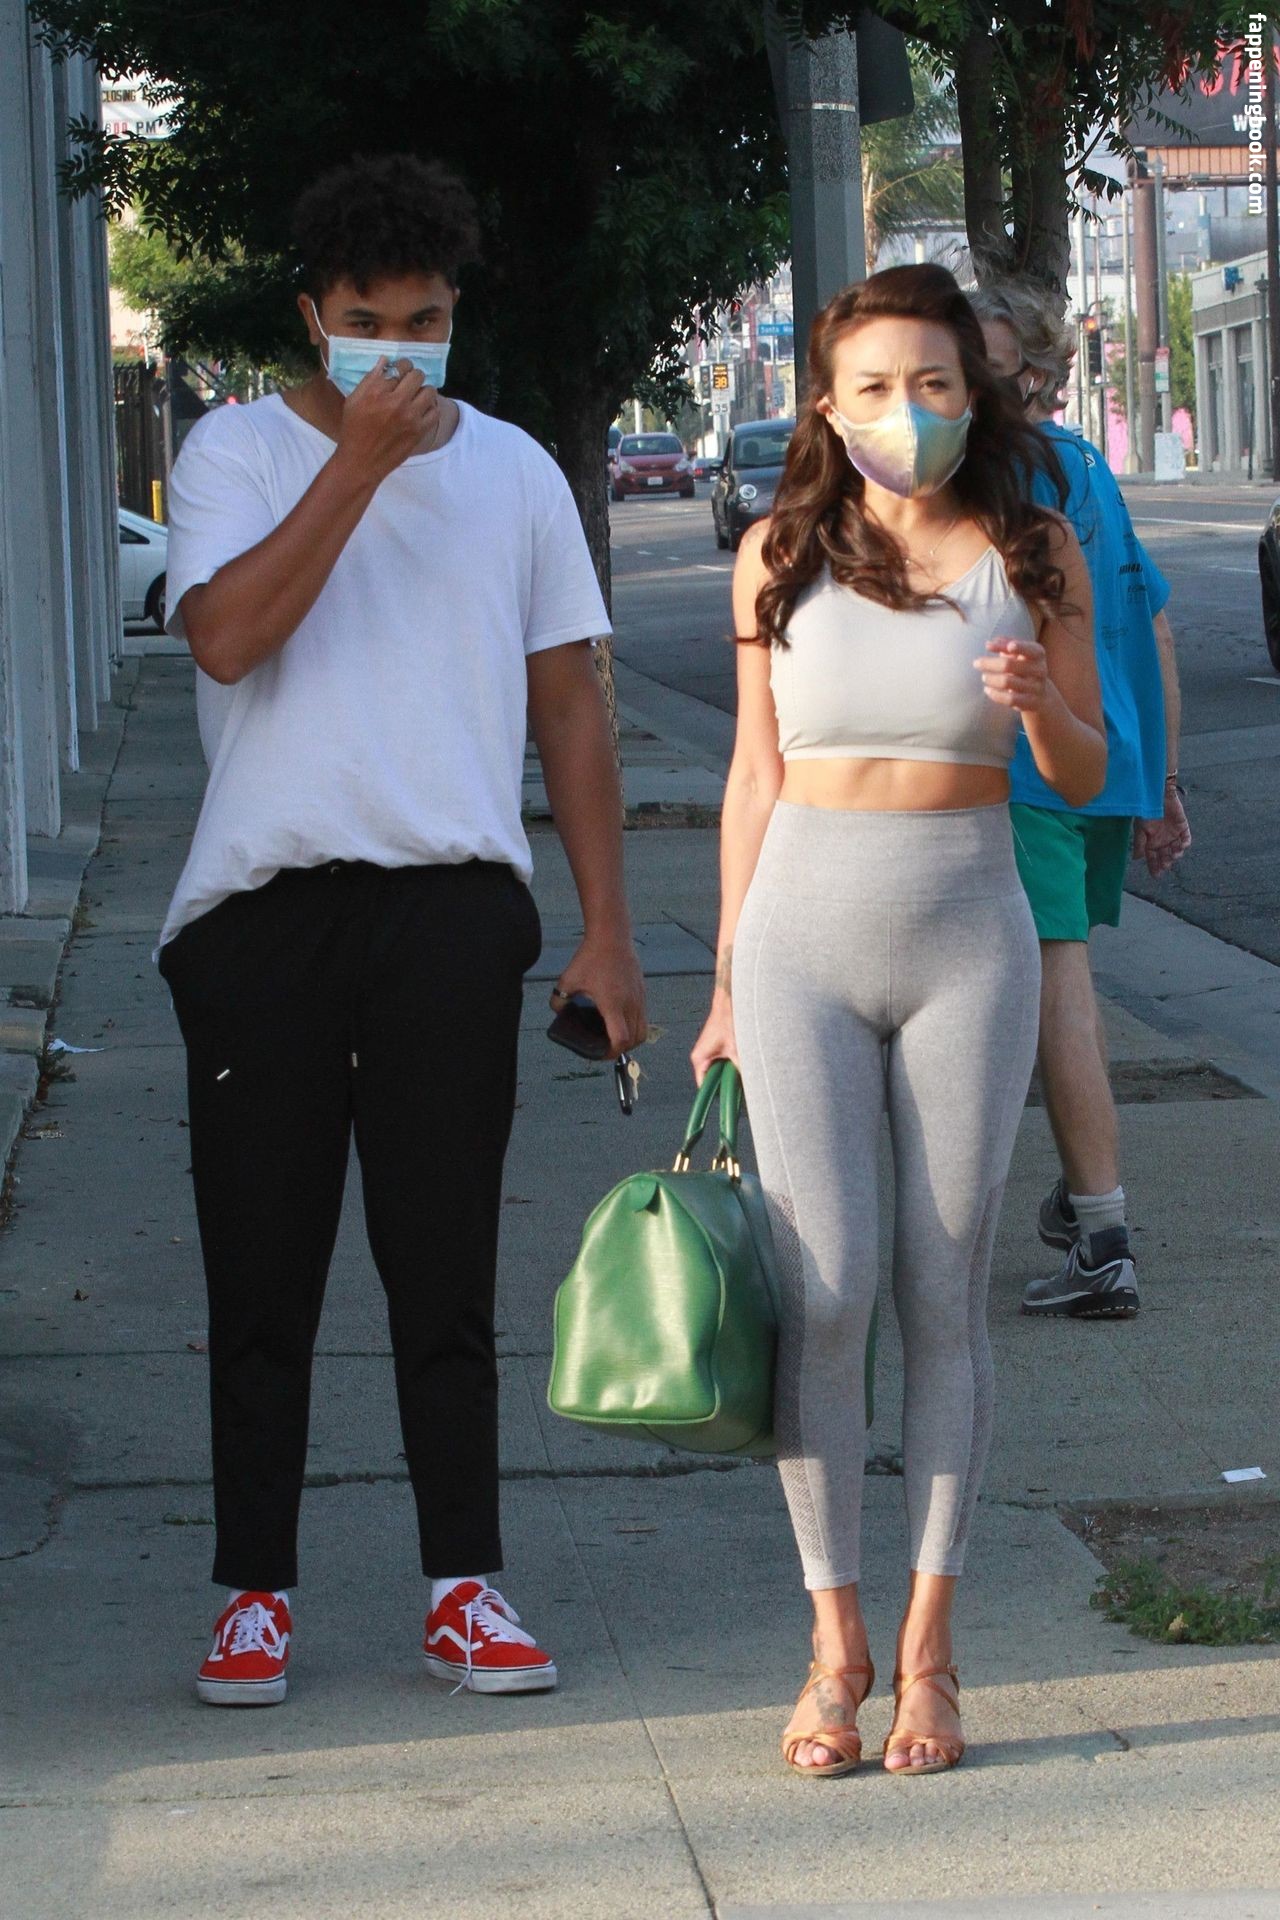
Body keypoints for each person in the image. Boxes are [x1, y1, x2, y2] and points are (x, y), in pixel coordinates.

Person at [157, 154, 646, 1706]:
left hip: (449, 900)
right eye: (368, 319)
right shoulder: (234, 452)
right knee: (263, 1271)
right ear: (314, 315)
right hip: (262, 910)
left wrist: (607, 928)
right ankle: (253, 1594)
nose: (400, 348)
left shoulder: (513, 471)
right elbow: (227, 639)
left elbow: (570, 704)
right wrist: (357, 467)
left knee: (442, 1269)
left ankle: (464, 1586)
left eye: (427, 319)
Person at [691, 263, 1106, 1778]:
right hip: (798, 934)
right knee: (826, 1291)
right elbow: (752, 777)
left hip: (968, 933)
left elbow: (1082, 767)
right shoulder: (777, 552)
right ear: (826, 403)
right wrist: (724, 983)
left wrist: (1033, 701)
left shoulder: (1031, 547)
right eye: (872, 386)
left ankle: (928, 1657)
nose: (905, 410)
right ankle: (832, 1645)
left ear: (973, 395)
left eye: (933, 382)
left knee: (943, 1290)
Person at [971, 278, 1191, 1321]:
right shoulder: (1091, 470)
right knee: (1072, 979)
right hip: (1109, 762)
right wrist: (1162, 781)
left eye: (980, 365)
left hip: (1032, 761)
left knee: (1055, 978)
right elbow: (1151, 627)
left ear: (1031, 374)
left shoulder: (989, 480)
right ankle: (1082, 1190)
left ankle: (1102, 1235)